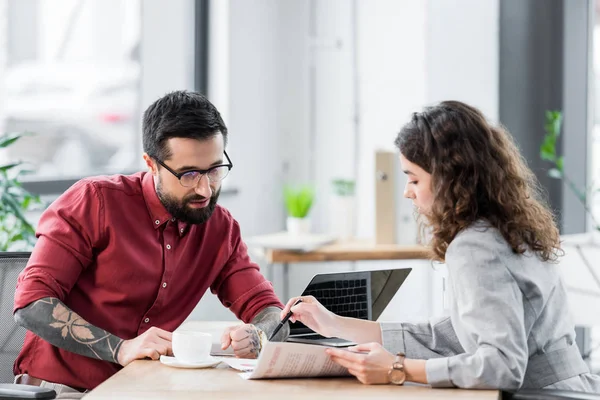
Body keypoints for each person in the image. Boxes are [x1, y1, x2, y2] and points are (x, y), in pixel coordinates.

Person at [281, 101, 600, 392]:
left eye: (414, 179)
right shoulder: (504, 229)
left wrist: (398, 368)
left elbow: (502, 365)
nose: (407, 192)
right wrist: (335, 324)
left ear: (450, 179)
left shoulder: (475, 247)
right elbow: (449, 334)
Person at [12, 91, 288, 395]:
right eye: (189, 174)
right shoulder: (95, 202)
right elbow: (31, 303)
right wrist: (120, 349)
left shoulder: (220, 229)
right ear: (151, 164)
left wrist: (259, 336)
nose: (205, 189)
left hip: (144, 389)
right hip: (64, 390)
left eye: (214, 170)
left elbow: (271, 312)